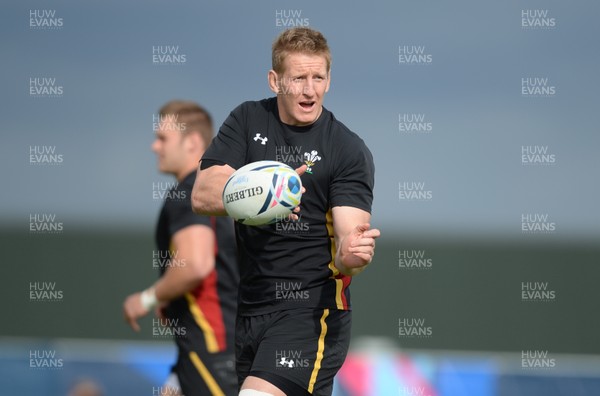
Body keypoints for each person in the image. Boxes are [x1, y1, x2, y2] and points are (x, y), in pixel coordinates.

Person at [191, 27, 380, 396]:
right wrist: (265, 195)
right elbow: (202, 194)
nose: (310, 90)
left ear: (329, 79)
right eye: (298, 78)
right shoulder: (247, 120)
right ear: (275, 80)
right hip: (249, 312)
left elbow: (349, 245)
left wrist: (352, 254)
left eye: (318, 78)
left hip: (311, 314)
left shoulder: (346, 149)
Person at [123, 101, 239, 396]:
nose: (154, 146)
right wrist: (170, 295)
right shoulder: (224, 193)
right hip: (216, 348)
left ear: (193, 142)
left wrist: (148, 298)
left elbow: (196, 263)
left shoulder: (187, 193)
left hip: (211, 349)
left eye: (163, 138)